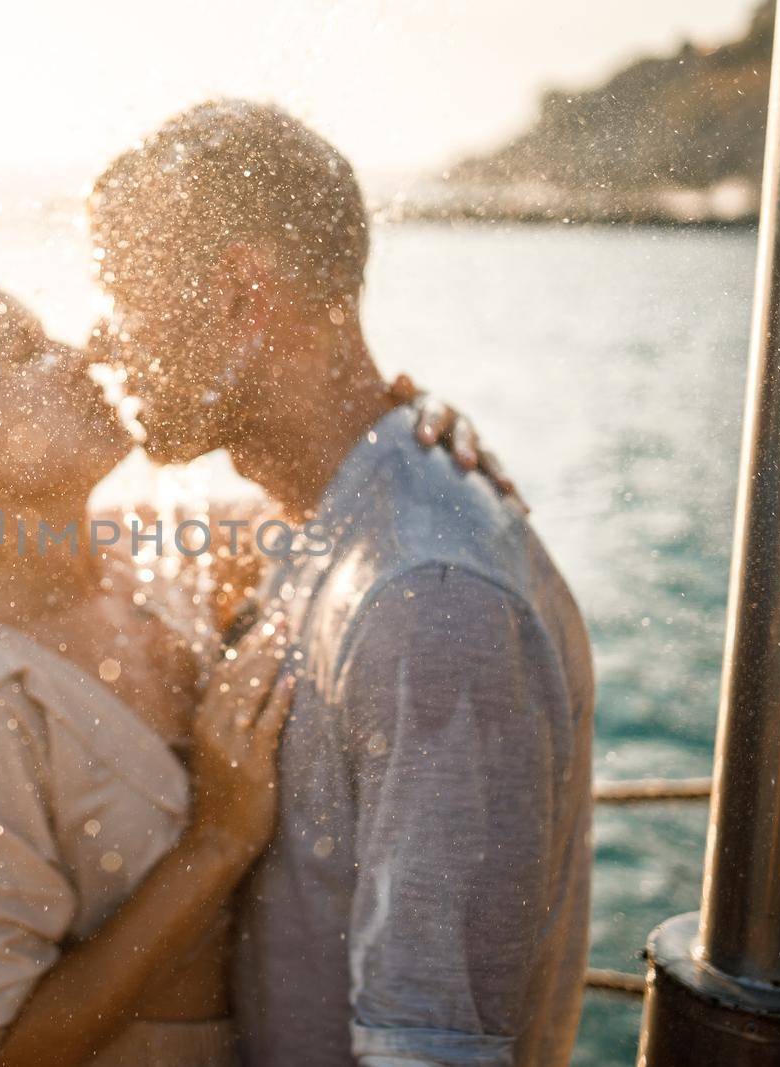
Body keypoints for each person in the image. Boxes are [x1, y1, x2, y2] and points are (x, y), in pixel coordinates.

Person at [0, 271, 501, 1066]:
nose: (80, 351)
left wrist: (406, 438)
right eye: (22, 354)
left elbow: (343, 510)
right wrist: (216, 841)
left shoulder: (158, 555)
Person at [88, 100, 595, 1066]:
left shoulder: (427, 597)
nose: (105, 340)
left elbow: (431, 1054)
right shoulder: (340, 515)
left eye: (126, 290)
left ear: (245, 296)